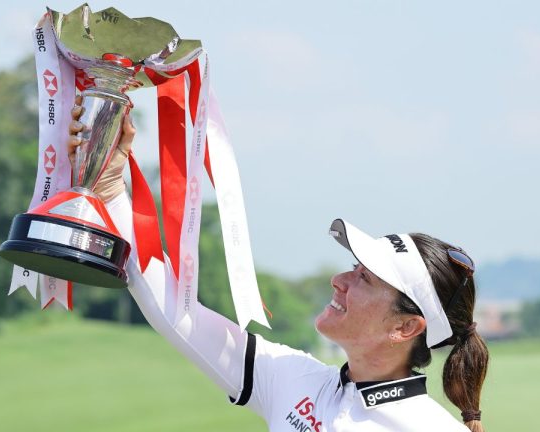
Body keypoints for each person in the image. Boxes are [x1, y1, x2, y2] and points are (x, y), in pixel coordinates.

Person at [68, 99, 489, 432]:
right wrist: (110, 188)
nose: (339, 280)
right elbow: (179, 315)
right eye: (353, 267)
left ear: (406, 327)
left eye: (364, 278)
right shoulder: (295, 378)